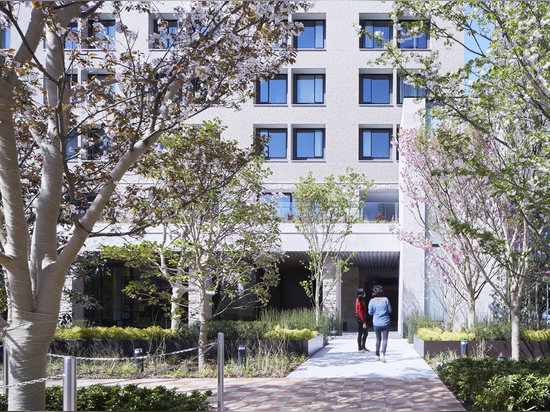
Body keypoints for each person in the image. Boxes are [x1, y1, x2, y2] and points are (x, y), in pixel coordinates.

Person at [368, 285, 392, 362]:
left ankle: (377, 355)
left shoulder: (372, 301)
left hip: (376, 323)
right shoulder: (386, 299)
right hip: (385, 322)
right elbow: (390, 310)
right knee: (385, 339)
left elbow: (370, 313)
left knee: (378, 339)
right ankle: (383, 354)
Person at [355, 288, 368, 352]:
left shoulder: (359, 300)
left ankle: (363, 346)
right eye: (364, 292)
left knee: (365, 333)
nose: (365, 293)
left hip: (361, 318)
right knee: (361, 333)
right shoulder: (359, 301)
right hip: (361, 319)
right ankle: (360, 348)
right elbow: (360, 313)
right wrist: (364, 322)